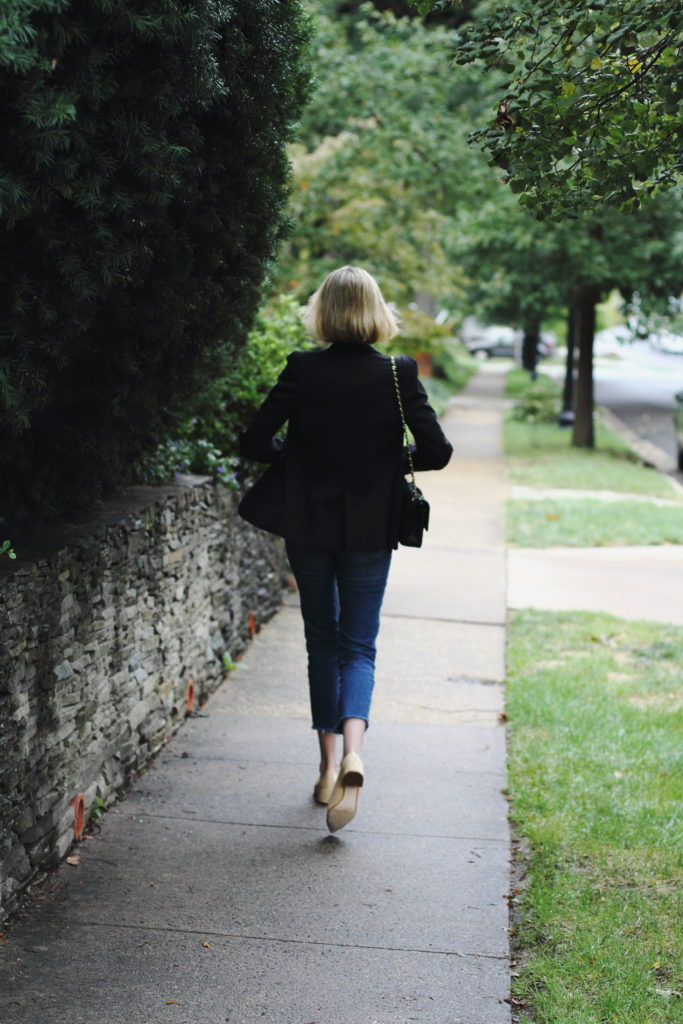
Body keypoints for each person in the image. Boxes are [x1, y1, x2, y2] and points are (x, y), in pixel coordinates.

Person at [238, 266, 452, 832]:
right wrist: (386, 464)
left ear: (323, 312)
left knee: (321, 641)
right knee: (359, 645)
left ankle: (329, 766)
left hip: (307, 523)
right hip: (370, 527)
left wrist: (298, 456)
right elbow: (437, 451)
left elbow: (256, 441)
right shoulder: (397, 373)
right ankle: (356, 751)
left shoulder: (302, 369)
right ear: (377, 311)